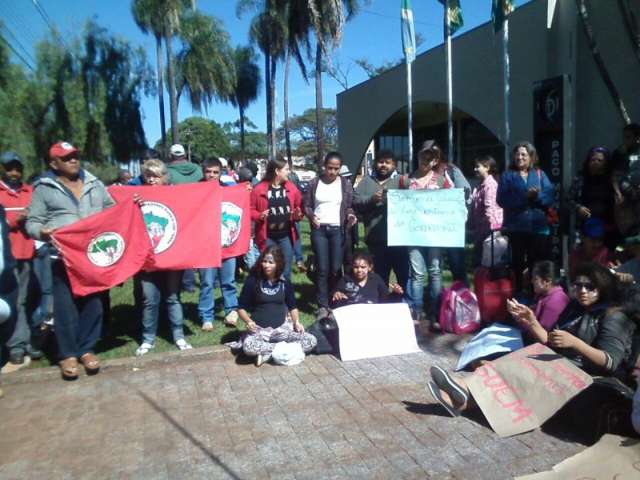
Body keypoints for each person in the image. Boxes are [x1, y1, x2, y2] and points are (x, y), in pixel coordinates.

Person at [428, 263, 636, 434]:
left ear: (602, 288)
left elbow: (610, 362)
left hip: (588, 375)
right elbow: (549, 340)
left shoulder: (613, 316)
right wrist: (531, 320)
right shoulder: (575, 309)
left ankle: (462, 393)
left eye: (590, 286)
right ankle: (462, 396)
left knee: (521, 368)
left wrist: (576, 343)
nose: (582, 290)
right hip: (564, 364)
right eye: (578, 285)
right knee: (519, 361)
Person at [25, 141, 115, 379]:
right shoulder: (44, 188)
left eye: (75, 156)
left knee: (93, 304)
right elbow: (32, 222)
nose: (73, 160)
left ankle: (87, 349)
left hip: (92, 257)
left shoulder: (95, 184)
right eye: (67, 158)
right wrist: (43, 232)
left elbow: (112, 210)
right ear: (54, 163)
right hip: (61, 257)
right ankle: (68, 354)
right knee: (65, 308)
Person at [403, 141, 471, 328]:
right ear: (417, 157)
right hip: (413, 234)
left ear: (434, 161)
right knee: (417, 274)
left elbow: (454, 201)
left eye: (430, 157)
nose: (425, 160)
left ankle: (435, 313)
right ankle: (416, 312)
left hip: (435, 235)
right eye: (422, 156)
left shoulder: (442, 180)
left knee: (434, 272)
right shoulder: (408, 180)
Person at [135, 159, 192, 356]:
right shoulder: (136, 195)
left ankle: (178, 335)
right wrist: (133, 204)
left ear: (164, 177)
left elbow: (197, 203)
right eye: (148, 176)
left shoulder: (176, 194)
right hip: (147, 258)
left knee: (172, 296)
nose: (152, 180)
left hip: (172, 255)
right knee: (149, 299)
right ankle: (148, 338)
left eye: (156, 176)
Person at [234, 246, 317, 366]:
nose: (266, 265)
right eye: (264, 261)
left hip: (283, 330)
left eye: (270, 262)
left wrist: (296, 322)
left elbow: (293, 306)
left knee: (311, 340)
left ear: (278, 264)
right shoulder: (253, 280)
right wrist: (248, 321)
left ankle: (267, 353)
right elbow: (241, 308)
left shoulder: (284, 282)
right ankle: (282, 350)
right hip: (259, 332)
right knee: (248, 346)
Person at [304, 152, 356, 320]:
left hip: (337, 230)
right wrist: (312, 216)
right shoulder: (314, 183)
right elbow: (307, 205)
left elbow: (349, 206)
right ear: (324, 166)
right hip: (320, 230)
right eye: (329, 168)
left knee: (335, 268)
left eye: (336, 169)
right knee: (322, 269)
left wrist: (350, 216)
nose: (332, 172)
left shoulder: (345, 184)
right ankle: (322, 305)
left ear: (340, 168)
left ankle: (336, 299)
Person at [497, 141, 555, 292]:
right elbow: (502, 199)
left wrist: (537, 197)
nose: (520, 157)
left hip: (538, 227)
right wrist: (525, 196)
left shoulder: (540, 174)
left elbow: (550, 195)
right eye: (517, 154)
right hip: (516, 227)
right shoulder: (507, 176)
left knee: (536, 262)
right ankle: (518, 292)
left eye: (524, 154)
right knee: (517, 262)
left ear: (531, 157)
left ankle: (535, 291)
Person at [0, 152, 36, 372]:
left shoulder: (30, 191)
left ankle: (29, 339)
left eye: (17, 168)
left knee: (31, 299)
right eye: (9, 168)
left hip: (30, 254)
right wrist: (16, 220)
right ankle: (16, 346)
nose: (14, 173)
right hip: (6, 258)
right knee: (13, 303)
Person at [354, 149, 408, 290]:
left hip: (399, 239)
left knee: (404, 276)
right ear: (375, 163)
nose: (383, 165)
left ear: (394, 165)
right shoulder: (366, 181)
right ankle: (382, 303)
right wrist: (371, 200)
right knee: (379, 277)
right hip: (375, 240)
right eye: (380, 162)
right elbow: (356, 202)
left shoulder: (402, 181)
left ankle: (404, 303)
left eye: (387, 162)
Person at [198, 158, 240, 330]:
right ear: (203, 172)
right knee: (207, 282)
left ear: (221, 172)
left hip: (226, 244)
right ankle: (206, 316)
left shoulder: (229, 189)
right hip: (205, 245)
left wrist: (245, 190)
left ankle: (231, 311)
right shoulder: (195, 190)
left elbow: (240, 202)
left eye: (215, 172)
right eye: (208, 171)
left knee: (229, 280)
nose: (212, 175)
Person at [250, 158, 303, 280]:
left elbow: (300, 206)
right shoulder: (259, 189)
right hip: (267, 237)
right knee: (268, 271)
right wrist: (259, 216)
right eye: (286, 169)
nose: (289, 172)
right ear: (277, 171)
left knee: (286, 270)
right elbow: (250, 209)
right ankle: (268, 295)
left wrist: (298, 214)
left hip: (286, 237)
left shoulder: (292, 188)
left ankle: (285, 297)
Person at [166, 144, 202, 292]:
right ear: (185, 155)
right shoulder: (198, 170)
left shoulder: (167, 172)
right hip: (200, 212)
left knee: (184, 248)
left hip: (179, 214)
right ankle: (211, 279)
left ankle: (188, 283)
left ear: (171, 155)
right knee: (201, 247)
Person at [567, 146, 617, 248]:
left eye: (600, 160)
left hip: (608, 227)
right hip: (584, 226)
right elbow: (568, 199)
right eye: (593, 159)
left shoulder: (613, 180)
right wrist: (578, 208)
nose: (596, 162)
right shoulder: (580, 179)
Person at [331, 253, 403, 308]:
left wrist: (396, 293)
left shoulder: (376, 279)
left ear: (369, 267)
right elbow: (333, 300)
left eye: (363, 267)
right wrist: (336, 295)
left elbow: (386, 300)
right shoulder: (345, 280)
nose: (359, 270)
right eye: (356, 267)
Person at [469, 155, 503, 267]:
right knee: (478, 263)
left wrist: (492, 230)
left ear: (487, 167)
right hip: (481, 231)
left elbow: (490, 208)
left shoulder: (490, 185)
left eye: (477, 167)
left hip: (489, 232)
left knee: (485, 265)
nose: (475, 169)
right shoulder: (482, 185)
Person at [519, 261, 569, 332]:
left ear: (547, 281)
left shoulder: (555, 301)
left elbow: (542, 334)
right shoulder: (542, 295)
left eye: (535, 279)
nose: (531, 281)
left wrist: (521, 318)